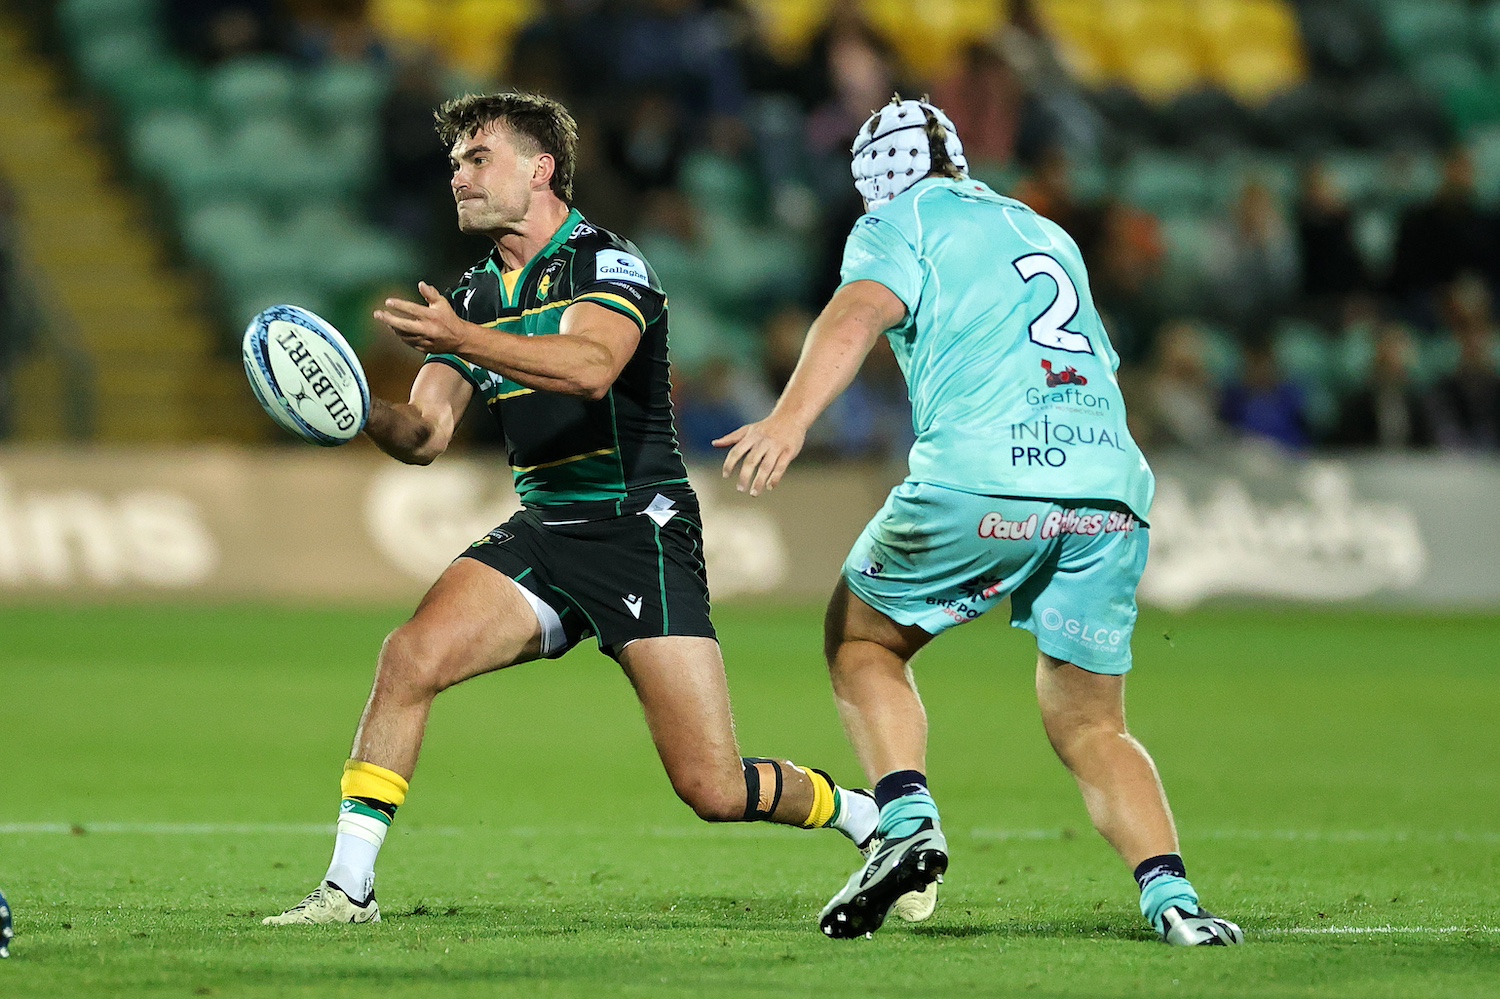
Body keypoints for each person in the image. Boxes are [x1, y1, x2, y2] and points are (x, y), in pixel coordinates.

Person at [263, 91, 878, 925]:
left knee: (713, 786)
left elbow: (591, 367)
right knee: (409, 657)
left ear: (540, 169)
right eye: (454, 163)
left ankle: (865, 816)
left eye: (478, 158)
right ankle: (349, 887)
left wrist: (462, 340)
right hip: (545, 528)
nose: (458, 176)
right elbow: (425, 433)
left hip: (637, 529)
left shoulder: (607, 264)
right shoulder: (473, 296)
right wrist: (357, 408)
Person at [718, 96, 1243, 946]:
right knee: (1093, 724)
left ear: (873, 182)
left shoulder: (898, 222)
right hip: (1110, 488)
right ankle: (1175, 903)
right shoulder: (1042, 230)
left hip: (988, 476)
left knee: (861, 639)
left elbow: (858, 311)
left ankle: (904, 821)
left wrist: (790, 418)